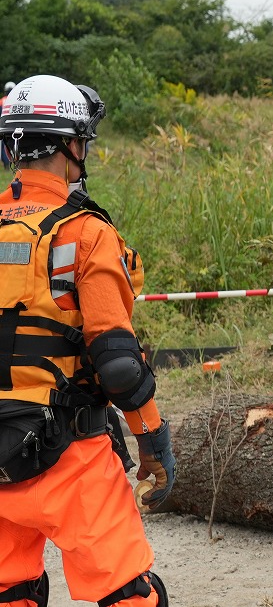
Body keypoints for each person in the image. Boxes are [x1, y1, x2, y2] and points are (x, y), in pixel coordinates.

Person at [0, 75, 173, 607]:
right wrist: (152, 438)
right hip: (70, 451)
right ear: (68, 145)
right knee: (130, 595)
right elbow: (118, 364)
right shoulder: (86, 233)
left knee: (10, 591)